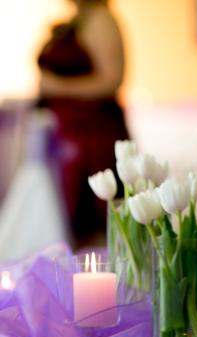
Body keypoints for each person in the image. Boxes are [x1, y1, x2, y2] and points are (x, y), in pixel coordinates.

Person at [37, 0, 129, 248]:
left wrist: (58, 87)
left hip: (93, 136)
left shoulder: (101, 20)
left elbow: (111, 81)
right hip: (68, 133)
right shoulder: (79, 20)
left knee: (93, 218)